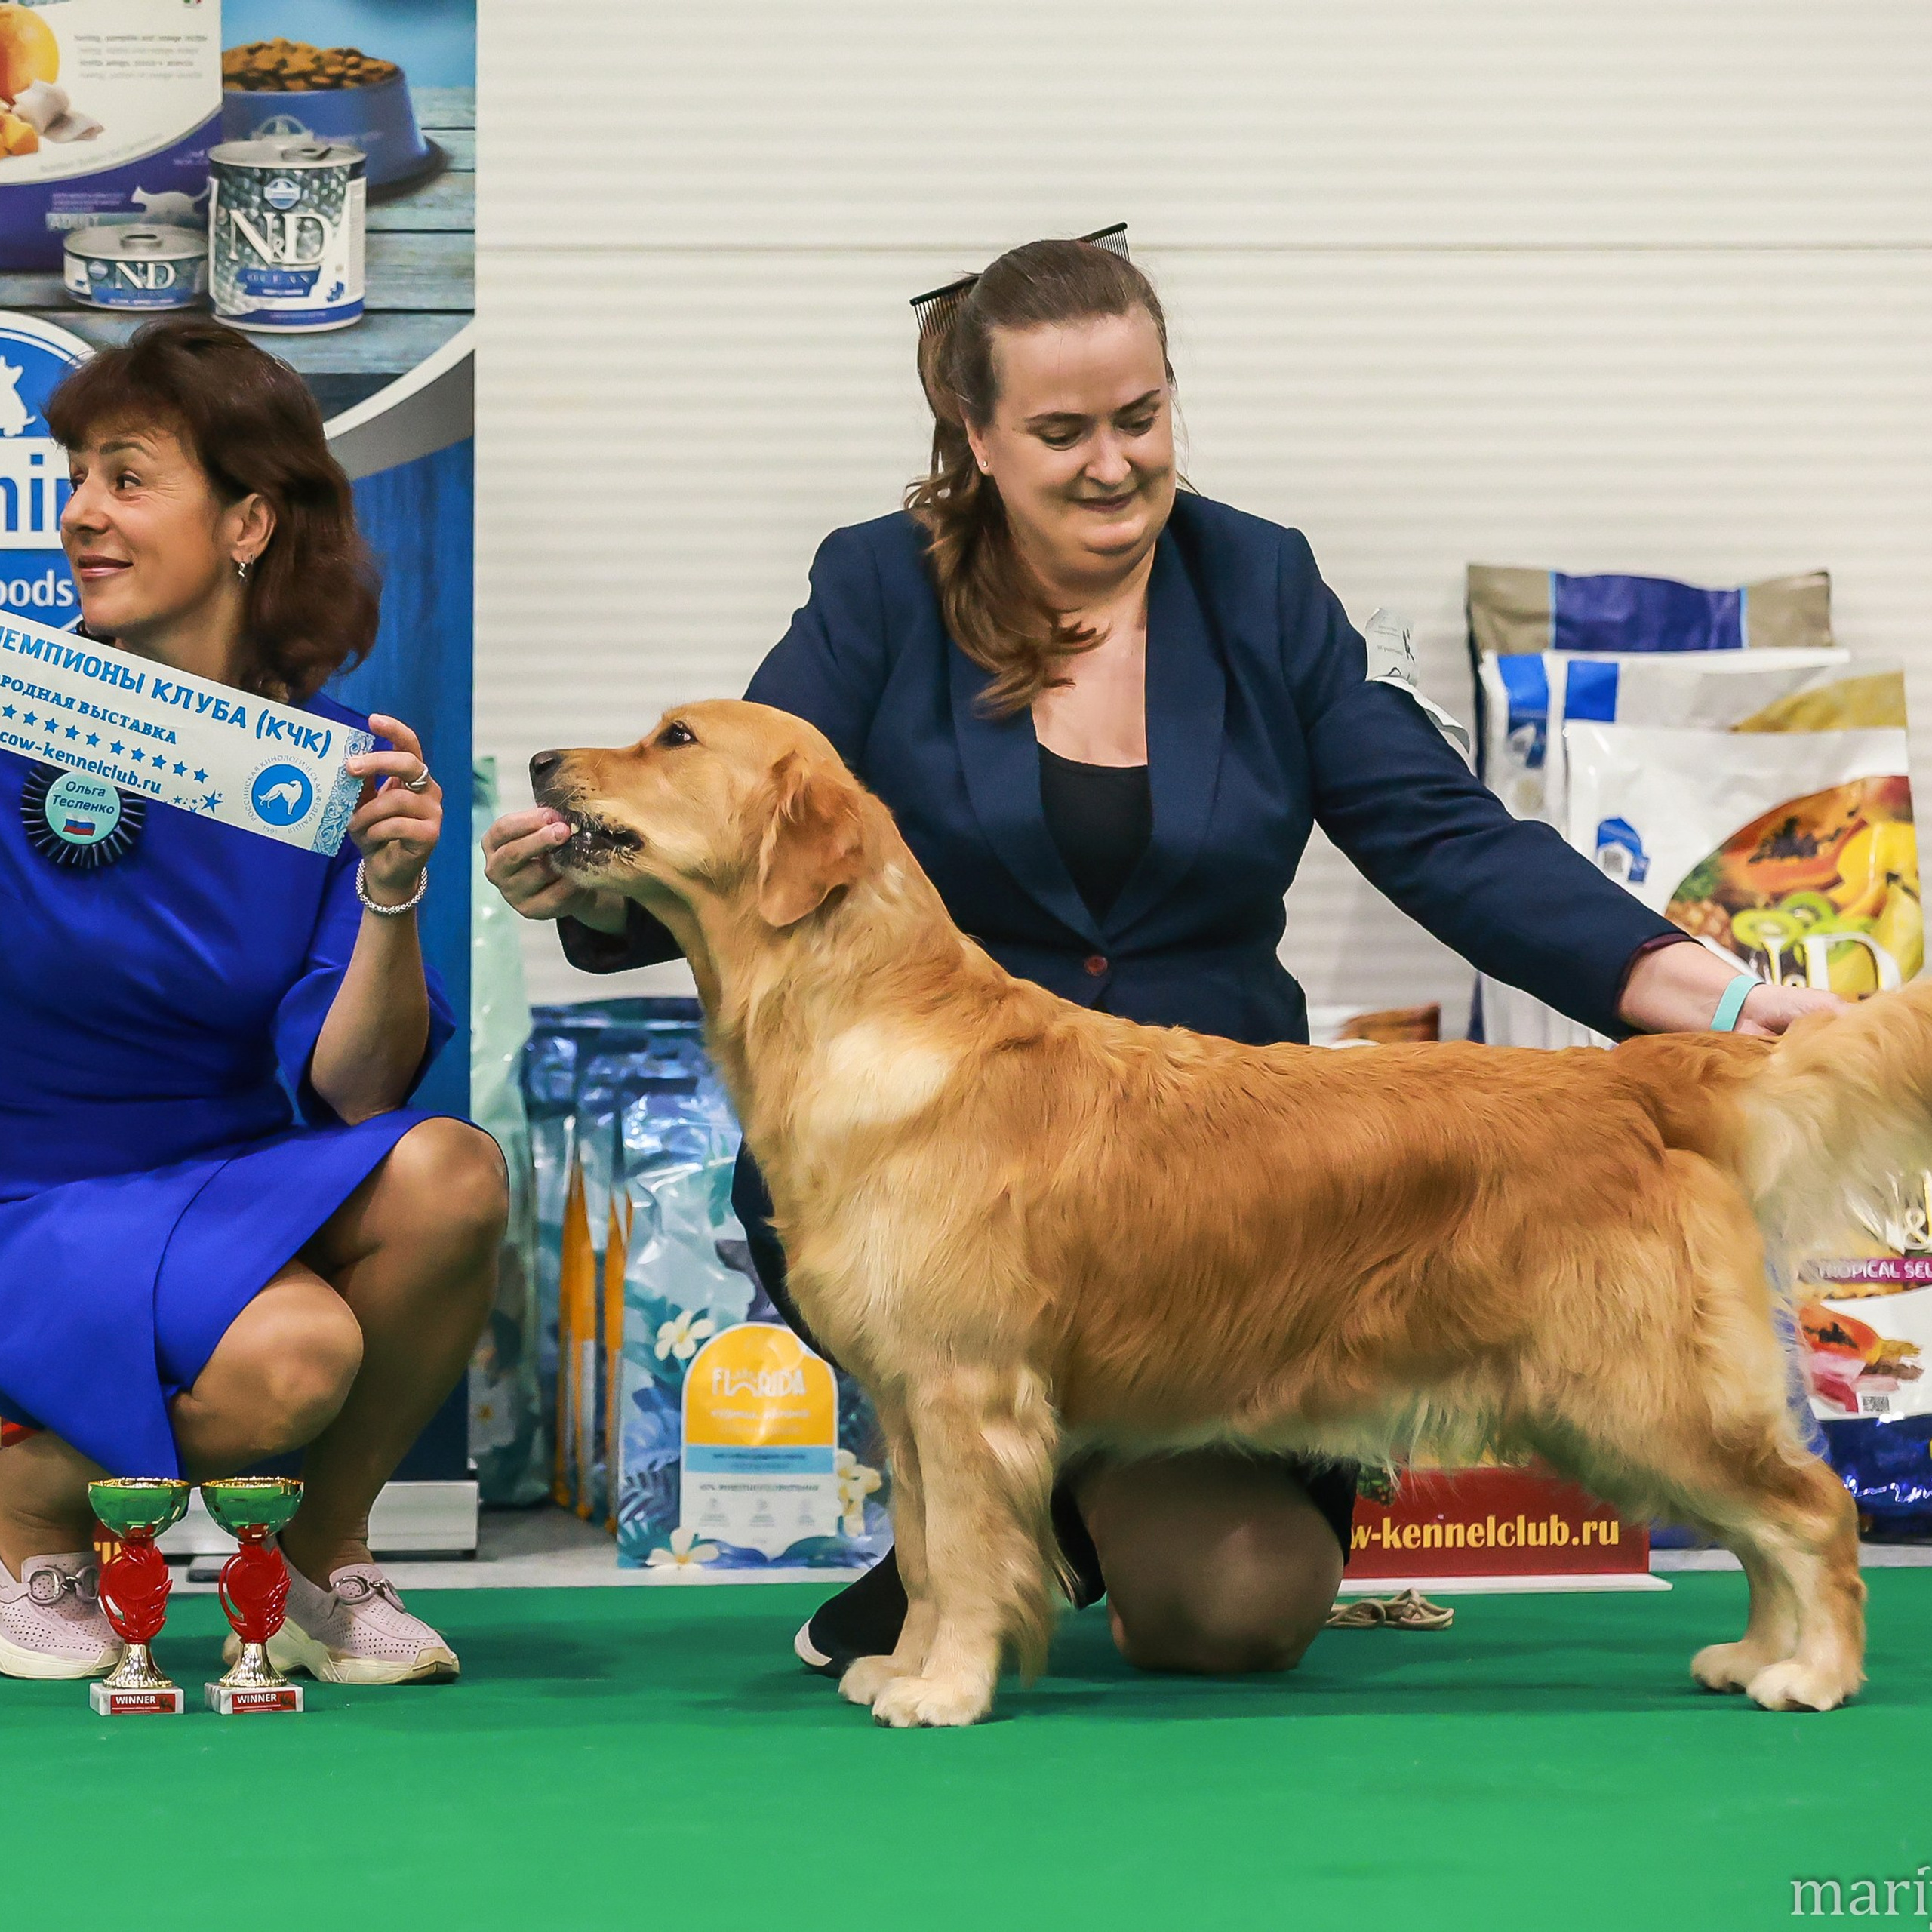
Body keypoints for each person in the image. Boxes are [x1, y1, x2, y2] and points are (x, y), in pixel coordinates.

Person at [485, 235, 1835, 1681]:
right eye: (1063, 432)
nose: (1115, 464)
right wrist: (586, 881)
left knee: (1231, 1615)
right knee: (966, 1368)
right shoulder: (881, 588)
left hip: (1235, 1219)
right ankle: (981, 1529)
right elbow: (747, 814)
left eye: (1142, 418)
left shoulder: (1260, 583)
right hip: (947, 1159)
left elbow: (1446, 840)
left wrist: (1743, 1002)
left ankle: (1030, 1524)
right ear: (979, 441)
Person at [0, 318, 506, 1687]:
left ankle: (324, 1567)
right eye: (77, 480)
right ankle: (30, 1513)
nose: (83, 517)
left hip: (213, 1173)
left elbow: (354, 1092)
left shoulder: (327, 763)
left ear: (248, 523)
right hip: (28, 1188)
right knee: (294, 1356)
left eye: (127, 477)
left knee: (454, 1172)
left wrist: (393, 885)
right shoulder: (9, 709)